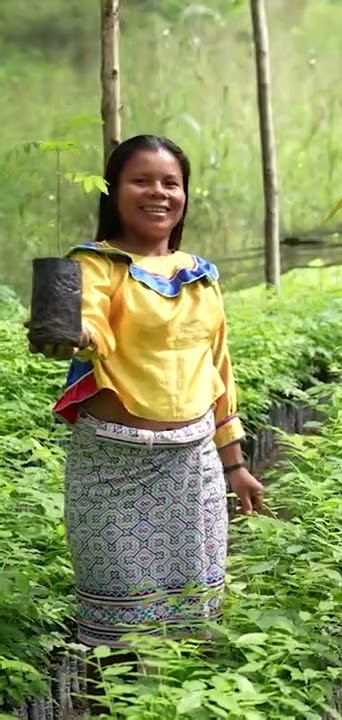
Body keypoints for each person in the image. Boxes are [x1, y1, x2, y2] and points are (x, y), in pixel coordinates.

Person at [27, 134, 264, 654]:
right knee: (118, 639)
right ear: (113, 192)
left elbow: (219, 369)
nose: (158, 193)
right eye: (141, 180)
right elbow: (90, 318)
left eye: (170, 183)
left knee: (188, 629)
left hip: (193, 468)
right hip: (114, 469)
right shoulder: (95, 264)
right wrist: (77, 333)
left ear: (185, 195)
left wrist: (234, 463)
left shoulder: (200, 275)